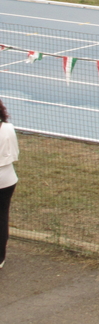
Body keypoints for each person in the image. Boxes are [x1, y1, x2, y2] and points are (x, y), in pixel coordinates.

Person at [0, 100, 17, 270]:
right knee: (2, 217)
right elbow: (14, 154)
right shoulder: (8, 128)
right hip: (7, 178)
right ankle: (0, 257)